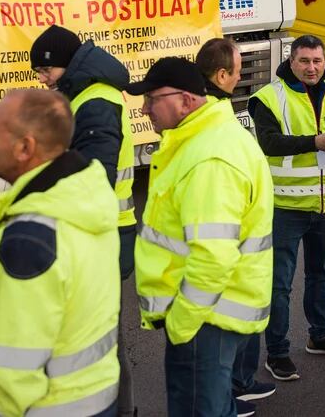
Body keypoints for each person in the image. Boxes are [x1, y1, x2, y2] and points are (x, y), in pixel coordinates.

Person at [129, 57, 273, 417]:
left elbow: (213, 257)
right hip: (210, 314)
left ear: (187, 100)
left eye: (152, 99)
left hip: (204, 319)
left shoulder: (209, 157)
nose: (145, 109)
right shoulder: (207, 140)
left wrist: (182, 323)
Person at [0, 89, 120, 416]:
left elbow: (14, 367)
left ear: (25, 147)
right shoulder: (83, 198)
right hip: (94, 396)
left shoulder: (30, 238)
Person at [31, 24, 138, 416]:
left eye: (45, 71)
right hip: (105, 230)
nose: (43, 80)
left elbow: (95, 175)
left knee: (103, 340)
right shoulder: (85, 94)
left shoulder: (94, 101)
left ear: (63, 64)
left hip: (102, 235)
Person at [248, 35, 325, 385]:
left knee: (320, 275)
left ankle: (320, 336)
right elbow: (268, 143)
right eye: (304, 61)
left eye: (317, 61)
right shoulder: (267, 98)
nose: (311, 68)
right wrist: (316, 142)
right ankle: (277, 353)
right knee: (280, 285)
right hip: (284, 207)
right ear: (291, 62)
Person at [197, 38, 276, 413]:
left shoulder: (217, 110)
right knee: (220, 332)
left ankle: (239, 385)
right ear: (222, 74)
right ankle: (224, 399)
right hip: (226, 247)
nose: (242, 74)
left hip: (243, 245)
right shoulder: (211, 118)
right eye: (240, 68)